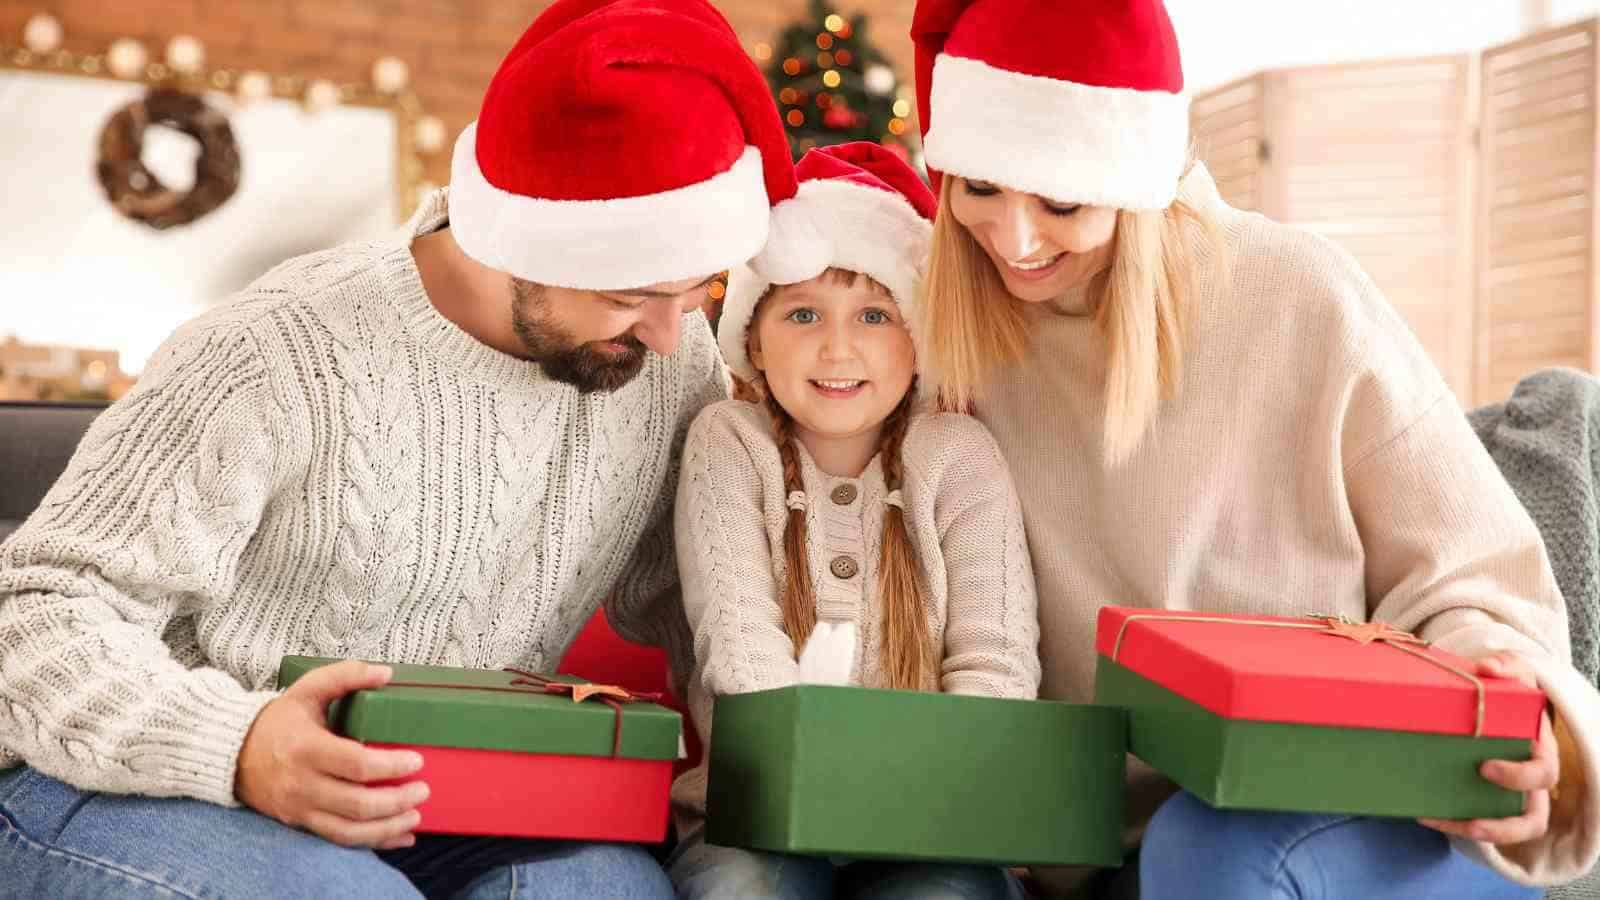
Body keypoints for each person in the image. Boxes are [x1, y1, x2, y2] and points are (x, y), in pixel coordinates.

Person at [0, 1, 798, 897]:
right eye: (628, 295)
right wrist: (240, 744)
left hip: (436, 798)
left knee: (604, 892)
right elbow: (30, 611)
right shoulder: (279, 348)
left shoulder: (666, 355)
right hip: (140, 775)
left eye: (698, 290)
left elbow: (707, 607)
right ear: (514, 241)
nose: (665, 334)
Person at [908, 0, 1600, 896]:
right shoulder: (956, 333)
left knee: (1213, 847)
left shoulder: (1294, 295)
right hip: (1100, 836)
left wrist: (1512, 707)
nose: (1016, 238)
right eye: (980, 189)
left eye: (1063, 202)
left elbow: (1472, 573)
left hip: (1347, 803)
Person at [666, 142, 1039, 900]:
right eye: (803, 313)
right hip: (760, 817)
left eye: (875, 314)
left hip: (936, 819)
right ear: (754, 340)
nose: (838, 347)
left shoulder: (959, 456)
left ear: (917, 341)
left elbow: (996, 662)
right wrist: (810, 783)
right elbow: (739, 642)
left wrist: (922, 796)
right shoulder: (730, 442)